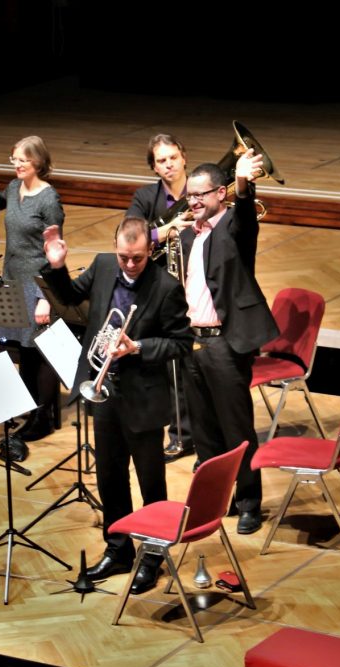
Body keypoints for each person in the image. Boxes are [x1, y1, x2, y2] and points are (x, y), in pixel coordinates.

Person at [40, 216, 192, 592]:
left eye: (137, 258)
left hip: (143, 396)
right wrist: (57, 266)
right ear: (115, 248)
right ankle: (118, 549)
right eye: (124, 256)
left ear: (149, 251)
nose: (128, 265)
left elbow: (182, 342)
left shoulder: (166, 287)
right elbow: (70, 298)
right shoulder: (105, 265)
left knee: (150, 481)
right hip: (104, 389)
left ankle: (154, 554)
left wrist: (137, 347)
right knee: (109, 476)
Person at [178, 151, 278, 535]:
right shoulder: (188, 236)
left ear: (220, 194)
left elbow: (247, 212)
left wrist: (242, 183)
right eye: (189, 197)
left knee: (237, 430)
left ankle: (249, 502)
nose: (194, 202)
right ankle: (215, 501)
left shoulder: (235, 228)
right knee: (204, 431)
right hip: (193, 343)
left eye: (200, 195)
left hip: (224, 344)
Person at [0, 136, 64, 442]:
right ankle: (31, 409)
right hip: (12, 277)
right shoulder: (13, 189)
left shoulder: (49, 199)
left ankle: (43, 417)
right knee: (22, 347)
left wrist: (45, 298)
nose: (17, 165)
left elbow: (55, 251)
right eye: (13, 159)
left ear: (37, 161)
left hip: (37, 283)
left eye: (22, 160)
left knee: (38, 350)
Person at [127, 133, 195, 461]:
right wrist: (166, 231)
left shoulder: (203, 190)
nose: (168, 165)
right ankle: (176, 432)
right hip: (162, 290)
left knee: (193, 367)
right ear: (154, 167)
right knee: (167, 366)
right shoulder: (144, 197)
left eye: (172, 157)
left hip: (198, 287)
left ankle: (194, 431)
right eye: (161, 161)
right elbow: (131, 236)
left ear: (184, 157)